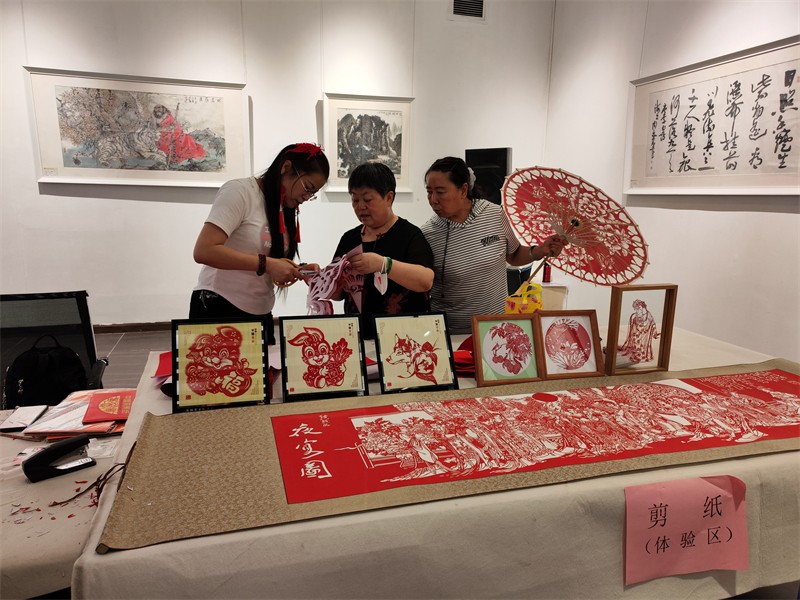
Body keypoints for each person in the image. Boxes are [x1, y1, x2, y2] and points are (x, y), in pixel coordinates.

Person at [190, 142, 329, 342]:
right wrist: (266, 264)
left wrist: (297, 269)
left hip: (260, 312)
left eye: (312, 194)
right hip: (219, 306)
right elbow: (204, 250)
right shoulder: (240, 191)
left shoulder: (282, 207)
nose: (307, 197)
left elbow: (269, 259)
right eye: (307, 188)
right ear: (286, 168)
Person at [421, 156, 565, 333]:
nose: (433, 199)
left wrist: (539, 251)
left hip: (496, 327)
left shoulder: (494, 214)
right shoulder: (428, 233)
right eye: (429, 192)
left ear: (463, 190)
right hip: (451, 332)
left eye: (440, 192)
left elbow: (513, 254)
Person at [333, 162, 434, 339]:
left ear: (389, 198)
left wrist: (384, 264)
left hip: (403, 338)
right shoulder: (349, 238)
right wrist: (319, 280)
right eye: (355, 200)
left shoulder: (409, 235)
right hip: (358, 336)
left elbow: (425, 280)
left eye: (367, 200)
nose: (360, 207)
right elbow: (337, 295)